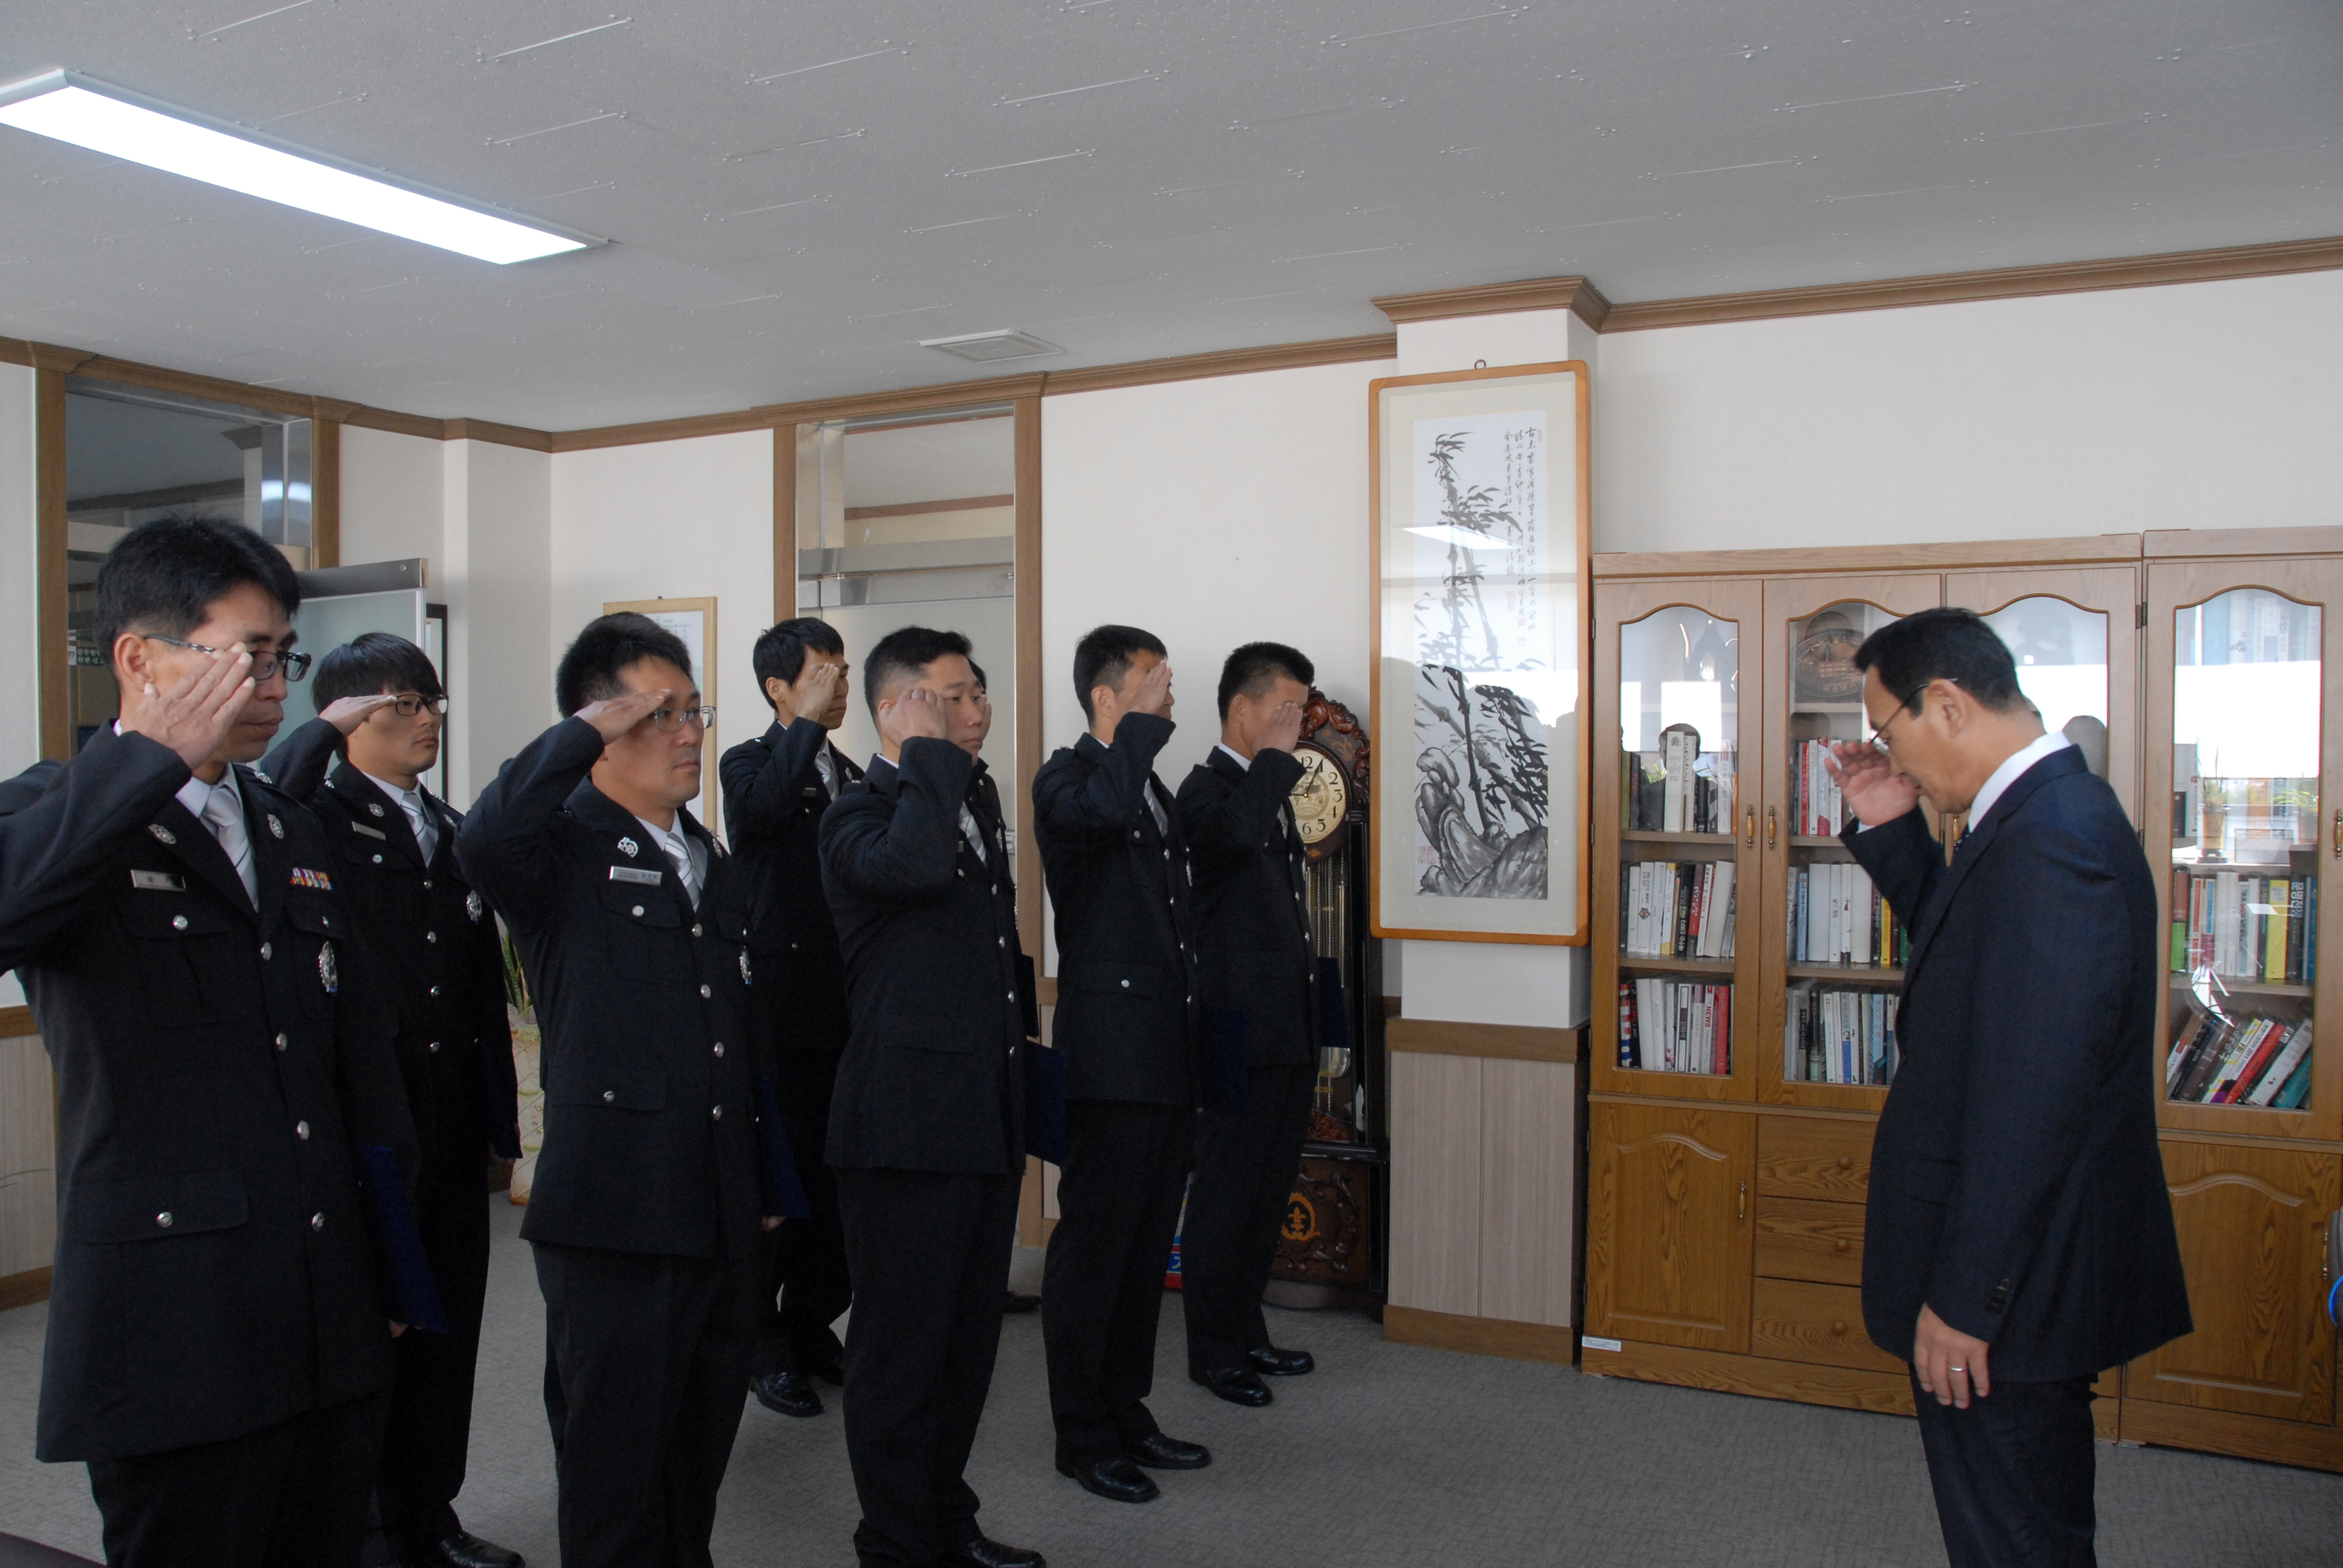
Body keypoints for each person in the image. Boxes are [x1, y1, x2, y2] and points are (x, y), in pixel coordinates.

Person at [0, 515, 430, 1567]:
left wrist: (391, 1269)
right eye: (247, 657)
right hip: (174, 1322)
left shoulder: (289, 825)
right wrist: (145, 761)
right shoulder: (59, 811)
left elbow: (357, 1067)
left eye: (284, 657)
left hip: (324, 1300)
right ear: (138, 658)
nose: (275, 687)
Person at [1826, 607, 2191, 1568]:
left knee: (2016, 1538)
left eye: (1888, 730)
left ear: (1946, 705)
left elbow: (2036, 1100)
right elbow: (1971, 955)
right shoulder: (2036, 816)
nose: (1890, 755)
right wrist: (1894, 828)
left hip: (2013, 1294)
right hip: (2019, 1278)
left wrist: (1967, 1300)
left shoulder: (2055, 839)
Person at [456, 613, 794, 1568]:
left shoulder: (706, 858)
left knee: (696, 1450)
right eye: (659, 716)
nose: (689, 734)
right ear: (599, 729)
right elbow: (482, 840)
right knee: (615, 1467)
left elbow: (744, 1033)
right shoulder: (557, 851)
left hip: (718, 1204)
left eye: (694, 712)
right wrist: (578, 735)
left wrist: (768, 1182)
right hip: (615, 1214)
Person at [259, 633, 525, 1568]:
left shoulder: (450, 828)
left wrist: (502, 1117)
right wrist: (315, 740)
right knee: (381, 1333)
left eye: (432, 701)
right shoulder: (312, 818)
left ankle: (429, 1513)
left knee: (449, 1328)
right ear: (346, 719)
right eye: (402, 704)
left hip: (449, 1123)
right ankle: (374, 1531)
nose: (428, 720)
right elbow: (266, 797)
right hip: (370, 1131)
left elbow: (481, 989)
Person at [819, 627, 1042, 1568]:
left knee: (965, 1345)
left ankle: (946, 1517)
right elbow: (911, 870)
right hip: (903, 1124)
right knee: (902, 1352)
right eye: (954, 696)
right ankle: (896, 1542)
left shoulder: (971, 794)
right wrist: (927, 758)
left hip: (982, 1112)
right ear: (895, 710)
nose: (978, 711)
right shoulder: (854, 815)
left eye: (979, 693)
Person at [1029, 627, 1208, 1503]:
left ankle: (1126, 1407)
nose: (1170, 690)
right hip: (1109, 1055)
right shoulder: (1066, 778)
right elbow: (1098, 816)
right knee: (1096, 1251)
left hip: (1165, 1051)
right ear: (1105, 695)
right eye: (1152, 678)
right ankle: (1082, 1434)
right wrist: (1136, 732)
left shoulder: (1152, 786)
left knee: (1144, 1251)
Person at [721, 617, 862, 1420]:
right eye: (821, 675)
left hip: (849, 1015)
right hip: (782, 1015)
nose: (839, 687)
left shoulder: (855, 774)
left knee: (834, 1187)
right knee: (780, 1185)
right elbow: (762, 813)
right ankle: (763, 1345)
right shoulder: (748, 762)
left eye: (843, 672)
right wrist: (803, 727)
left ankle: (812, 1325)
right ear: (778, 688)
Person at [1175, 642, 1322, 1408]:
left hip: (1283, 1024)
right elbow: (1229, 841)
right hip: (1234, 1026)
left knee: (1266, 1190)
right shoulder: (1201, 792)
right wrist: (1274, 760)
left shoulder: (1265, 789)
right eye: (1285, 707)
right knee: (1228, 1192)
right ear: (1242, 708)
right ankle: (1212, 1350)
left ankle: (1246, 1330)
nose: (1298, 722)